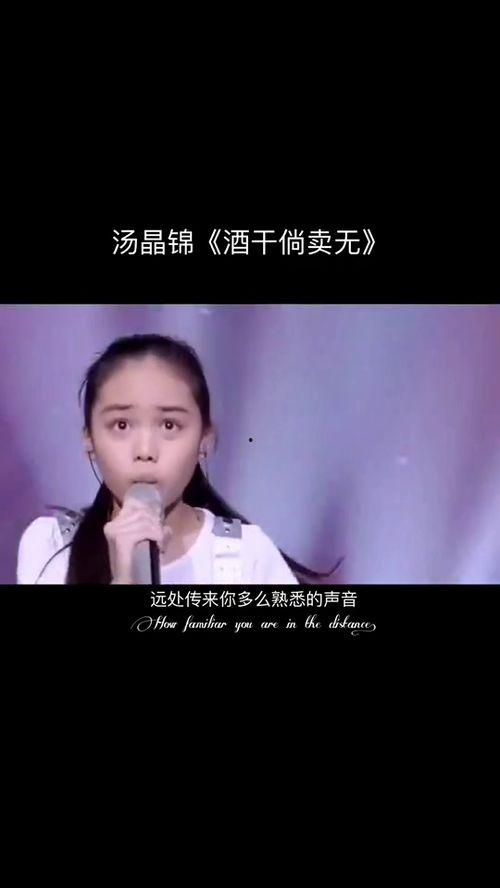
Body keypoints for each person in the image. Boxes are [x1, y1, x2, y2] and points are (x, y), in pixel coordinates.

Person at [17, 334, 341, 585]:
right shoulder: (51, 545)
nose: (145, 450)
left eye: (169, 425)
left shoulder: (246, 555)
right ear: (89, 439)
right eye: (122, 425)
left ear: (204, 440)